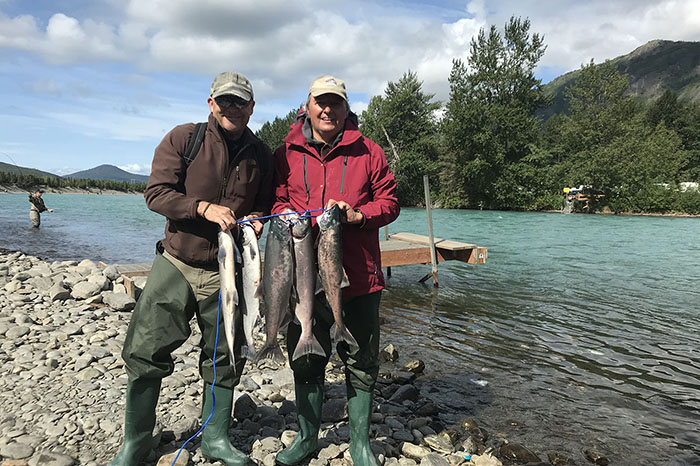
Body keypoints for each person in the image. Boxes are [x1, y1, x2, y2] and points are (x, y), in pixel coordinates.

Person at [109, 71, 274, 466]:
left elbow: (264, 204)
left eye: (241, 102)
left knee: (224, 356)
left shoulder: (261, 154)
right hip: (177, 262)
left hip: (228, 271)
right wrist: (201, 208)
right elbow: (156, 193)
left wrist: (255, 218)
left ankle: (215, 438)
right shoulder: (184, 138)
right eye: (226, 101)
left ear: (252, 107)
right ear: (211, 103)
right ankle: (137, 441)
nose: (233, 108)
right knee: (146, 350)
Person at [271, 75, 399, 466]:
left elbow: (391, 202)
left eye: (336, 103)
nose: (328, 109)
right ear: (307, 106)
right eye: (321, 102)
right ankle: (308, 437)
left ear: (346, 109)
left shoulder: (370, 151)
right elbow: (275, 201)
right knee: (306, 357)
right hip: (302, 280)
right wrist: (284, 216)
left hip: (359, 278)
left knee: (361, 361)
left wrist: (359, 215)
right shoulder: (286, 152)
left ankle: (360, 444)